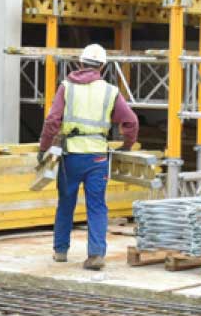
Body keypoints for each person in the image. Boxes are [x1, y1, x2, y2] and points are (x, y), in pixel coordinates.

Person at [38, 43, 138, 270]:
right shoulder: (110, 91)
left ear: (80, 63)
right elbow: (131, 121)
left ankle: (61, 252)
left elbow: (52, 120)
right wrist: (127, 145)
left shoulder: (66, 88)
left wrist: (43, 148)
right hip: (98, 158)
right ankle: (95, 255)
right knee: (97, 206)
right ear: (102, 66)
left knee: (66, 203)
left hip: (71, 155)